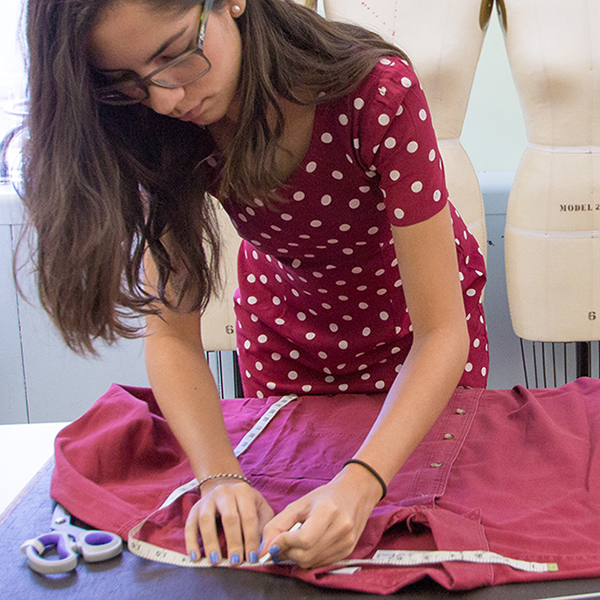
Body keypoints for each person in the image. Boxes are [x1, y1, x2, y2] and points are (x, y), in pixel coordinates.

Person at [23, 0, 488, 570]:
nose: (167, 97)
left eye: (175, 54)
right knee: (289, 548)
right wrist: (218, 478)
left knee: (412, 534)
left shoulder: (377, 93)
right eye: (128, 83)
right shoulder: (162, 125)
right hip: (287, 333)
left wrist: (362, 482)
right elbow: (170, 338)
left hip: (418, 336)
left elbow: (441, 331)